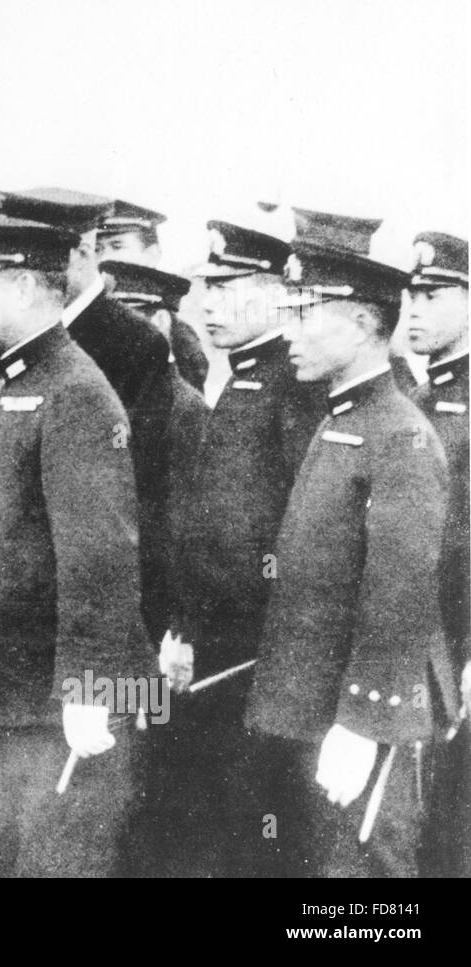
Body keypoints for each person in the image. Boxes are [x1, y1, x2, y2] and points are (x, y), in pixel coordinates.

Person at [244, 208, 459, 877]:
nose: (292, 331)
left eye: (310, 312)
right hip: (316, 705)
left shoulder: (399, 434)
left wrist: (366, 721)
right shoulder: (344, 418)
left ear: (366, 323)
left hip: (363, 714)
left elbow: (402, 592)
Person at [0, 211, 151, 877]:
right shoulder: (17, 381)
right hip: (2, 694)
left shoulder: (76, 393)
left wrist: (89, 686)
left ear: (30, 287)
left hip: (48, 706)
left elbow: (100, 552)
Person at [153, 221, 326, 875]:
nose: (209, 304)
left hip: (257, 660)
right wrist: (185, 625)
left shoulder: (297, 385)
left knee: (256, 841)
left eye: (227, 288)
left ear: (274, 293)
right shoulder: (241, 380)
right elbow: (212, 530)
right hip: (212, 652)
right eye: (207, 289)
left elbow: (302, 536)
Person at [0, 187, 175, 644]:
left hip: (86, 606)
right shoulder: (8, 336)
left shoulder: (136, 344)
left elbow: (145, 489)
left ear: (82, 252)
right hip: (13, 597)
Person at [403, 230, 470, 877]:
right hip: (423, 650)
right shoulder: (419, 401)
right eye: (410, 294)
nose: (414, 308)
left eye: (433, 293)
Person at [97, 198, 209, 392]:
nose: (104, 258)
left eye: (117, 246)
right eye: (98, 249)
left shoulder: (177, 334)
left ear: (152, 255)